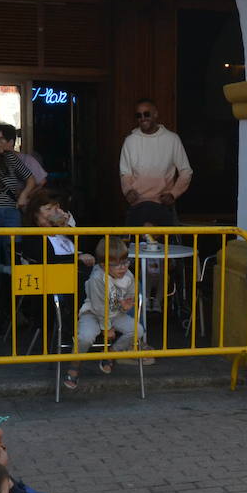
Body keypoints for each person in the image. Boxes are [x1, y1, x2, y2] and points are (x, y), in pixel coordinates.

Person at [65, 237, 153, 390]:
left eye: (125, 262)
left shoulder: (128, 275)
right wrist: (107, 328)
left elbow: (130, 296)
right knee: (85, 337)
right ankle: (75, 365)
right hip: (92, 313)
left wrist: (126, 304)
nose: (123, 267)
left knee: (137, 330)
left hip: (115, 313)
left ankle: (111, 353)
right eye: (116, 264)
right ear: (103, 265)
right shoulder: (97, 278)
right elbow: (99, 307)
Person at [119, 99, 192, 228]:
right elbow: (125, 173)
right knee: (134, 247)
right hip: (137, 205)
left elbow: (186, 171)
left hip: (164, 205)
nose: (142, 118)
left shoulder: (172, 139)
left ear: (155, 114)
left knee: (167, 247)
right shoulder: (130, 141)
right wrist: (128, 191)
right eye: (139, 115)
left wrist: (173, 194)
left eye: (146, 114)